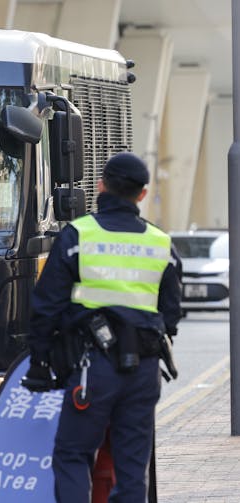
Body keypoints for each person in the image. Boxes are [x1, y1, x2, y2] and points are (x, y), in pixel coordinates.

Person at [21, 152, 182, 502]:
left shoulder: (78, 236)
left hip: (91, 368)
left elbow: (46, 307)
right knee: (132, 464)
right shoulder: (161, 244)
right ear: (141, 195)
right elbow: (171, 315)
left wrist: (40, 364)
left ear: (100, 186)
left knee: (73, 453)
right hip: (144, 369)